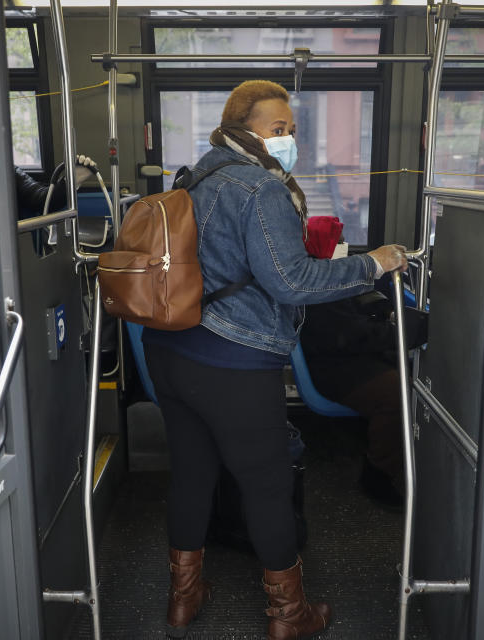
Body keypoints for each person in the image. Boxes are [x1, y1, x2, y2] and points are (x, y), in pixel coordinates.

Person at [141, 80, 410, 639]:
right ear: (246, 128)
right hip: (231, 360)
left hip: (170, 351)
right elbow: (291, 282)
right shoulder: (260, 188)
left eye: (292, 130)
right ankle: (290, 615)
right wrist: (374, 264)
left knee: (192, 474)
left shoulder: (197, 175)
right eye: (279, 130)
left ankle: (182, 600)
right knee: (265, 485)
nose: (290, 141)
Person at [300, 288, 427, 510]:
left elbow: (363, 292)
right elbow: (343, 334)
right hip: (333, 363)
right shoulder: (312, 283)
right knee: (398, 396)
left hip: (363, 351)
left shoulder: (336, 267)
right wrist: (398, 333)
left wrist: (388, 310)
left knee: (422, 378)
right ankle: (378, 474)